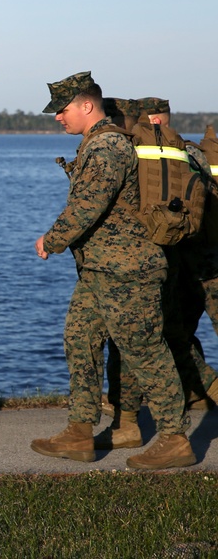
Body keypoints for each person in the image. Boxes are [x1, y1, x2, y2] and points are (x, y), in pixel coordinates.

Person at [31, 72, 195, 470]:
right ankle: (79, 431)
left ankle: (174, 438)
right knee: (79, 339)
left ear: (87, 106)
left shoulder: (107, 147)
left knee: (144, 351)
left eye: (63, 110)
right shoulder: (97, 144)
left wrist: (51, 240)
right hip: (100, 270)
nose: (58, 118)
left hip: (128, 271)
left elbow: (88, 206)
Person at [99, 98, 218, 451]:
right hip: (204, 257)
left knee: (155, 339)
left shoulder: (147, 155)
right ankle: (197, 393)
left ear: (150, 120)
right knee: (175, 337)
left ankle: (133, 417)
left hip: (178, 264)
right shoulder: (189, 152)